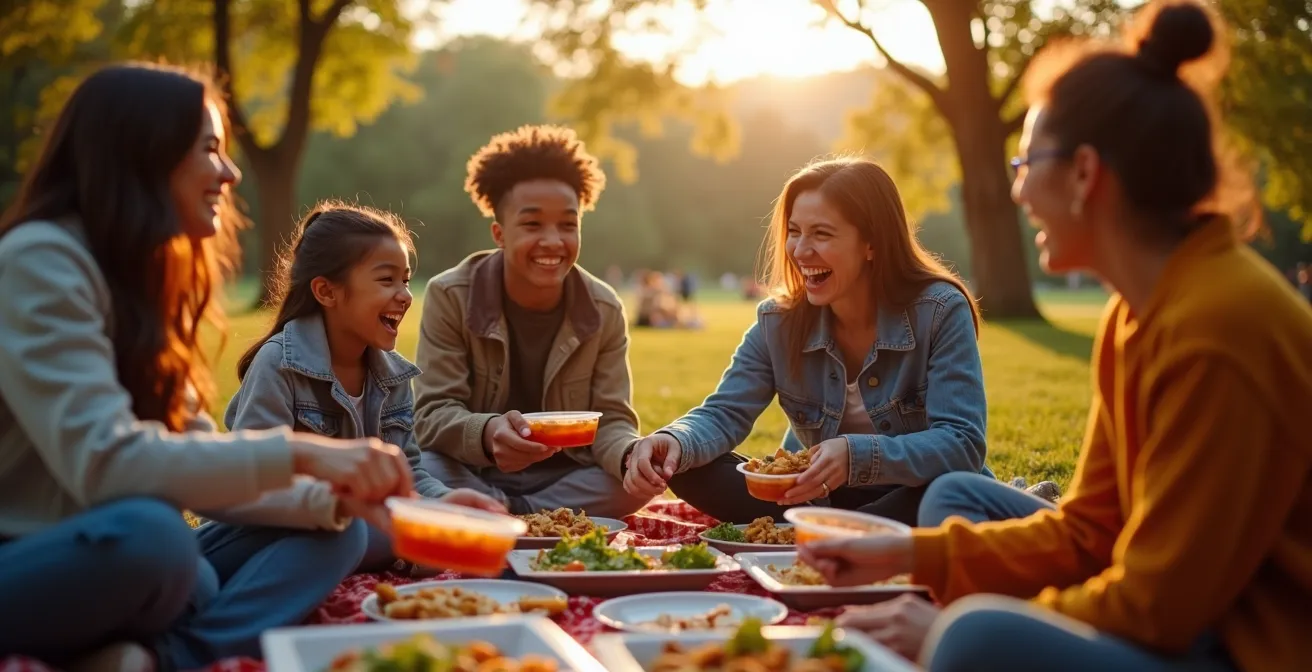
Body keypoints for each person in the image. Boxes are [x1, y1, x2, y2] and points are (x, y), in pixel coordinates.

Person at [799, 2, 1312, 670]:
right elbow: (1094, 527)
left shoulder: (1218, 328)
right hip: (1186, 610)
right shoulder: (1138, 312)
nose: (1016, 190)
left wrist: (953, 623)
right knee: (954, 499)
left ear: (1083, 174)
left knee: (973, 637)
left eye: (1024, 162)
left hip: (1242, 646)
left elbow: (1156, 608)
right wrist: (905, 552)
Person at [0, 63, 415, 670]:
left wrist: (344, 500)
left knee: (334, 530)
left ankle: (164, 657)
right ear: (143, 153)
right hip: (39, 555)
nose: (231, 171)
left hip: (123, 556)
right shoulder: (40, 262)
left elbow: (196, 460)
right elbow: (106, 463)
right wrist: (306, 454)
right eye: (210, 149)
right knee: (159, 545)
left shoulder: (145, 285)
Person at [623, 156, 998, 526]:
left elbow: (962, 443)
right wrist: (674, 440)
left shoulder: (939, 311)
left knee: (949, 490)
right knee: (685, 464)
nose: (801, 251)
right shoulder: (778, 321)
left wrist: (855, 456)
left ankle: (825, 530)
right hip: (816, 494)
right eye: (794, 231)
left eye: (821, 234)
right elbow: (725, 412)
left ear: (872, 243)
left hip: (912, 493)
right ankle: (838, 529)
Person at [225, 201, 505, 574]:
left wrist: (446, 502)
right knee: (361, 535)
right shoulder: (278, 365)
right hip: (273, 532)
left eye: (405, 280)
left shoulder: (394, 377)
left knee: (402, 535)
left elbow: (409, 472)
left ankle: (390, 552)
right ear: (327, 292)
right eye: (386, 280)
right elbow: (252, 481)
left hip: (350, 530)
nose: (405, 295)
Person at [413, 124, 650, 518]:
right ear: (499, 233)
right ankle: (517, 511)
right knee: (419, 466)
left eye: (568, 224)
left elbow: (612, 419)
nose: (553, 241)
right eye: (532, 224)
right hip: (473, 469)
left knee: (629, 484)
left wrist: (630, 455)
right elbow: (432, 413)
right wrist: (488, 434)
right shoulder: (451, 295)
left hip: (566, 477)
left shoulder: (603, 308)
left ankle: (509, 512)